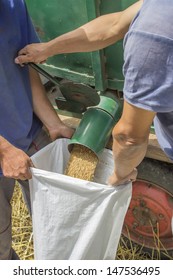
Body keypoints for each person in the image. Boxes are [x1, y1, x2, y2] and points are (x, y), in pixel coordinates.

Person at [0, 0, 74, 260]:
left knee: (59, 219)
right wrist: (4, 150)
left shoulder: (12, 5)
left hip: (29, 133)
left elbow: (22, 64)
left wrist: (53, 124)